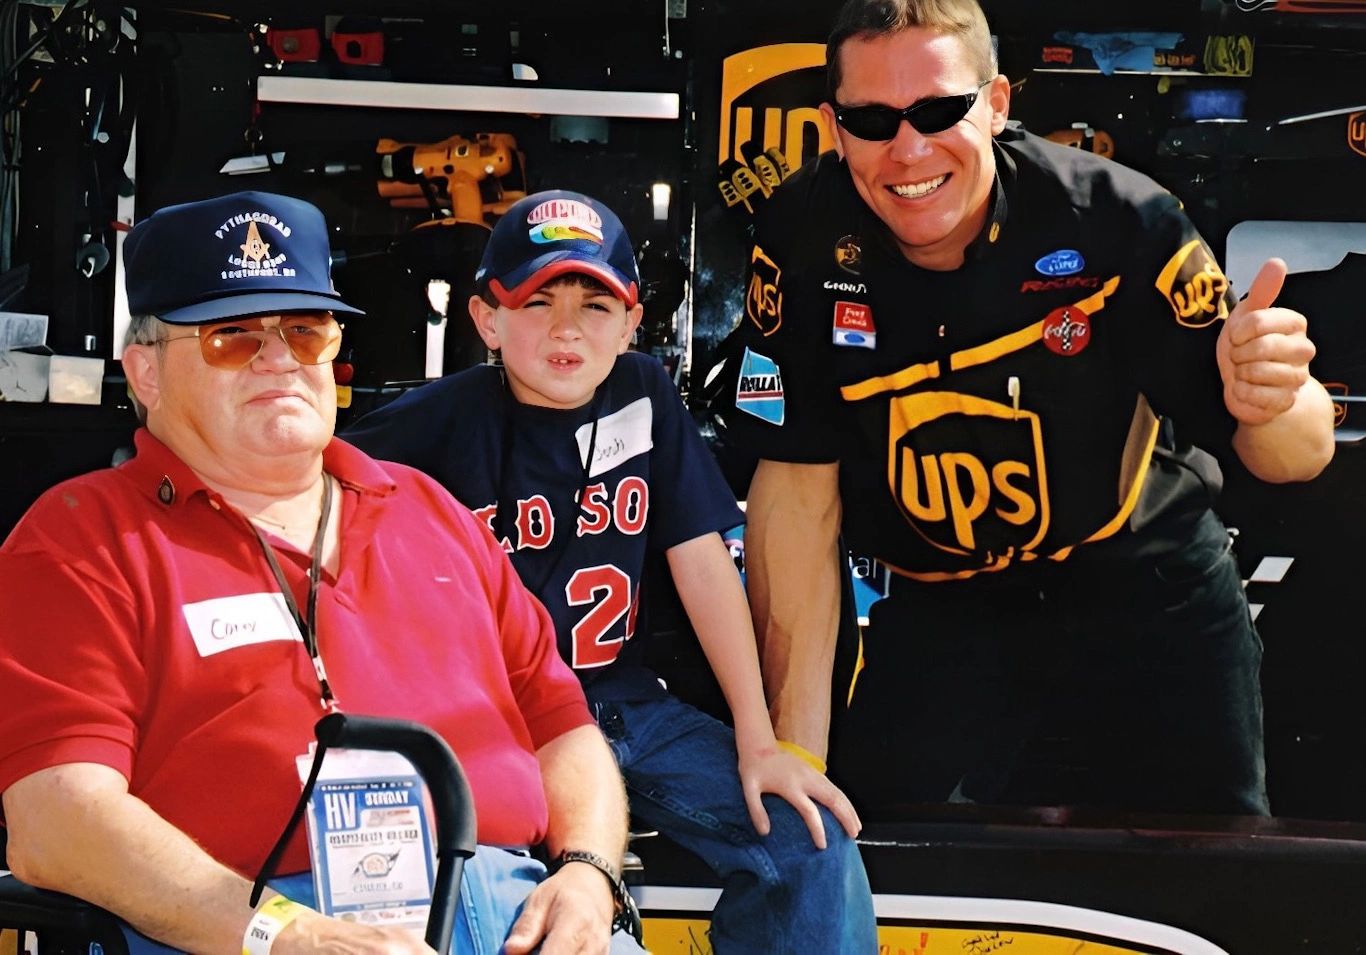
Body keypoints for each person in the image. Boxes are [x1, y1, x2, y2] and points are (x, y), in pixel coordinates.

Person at [712, 0, 1336, 817]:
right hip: (949, 604)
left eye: (940, 111)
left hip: (1148, 590)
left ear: (997, 104)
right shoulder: (799, 237)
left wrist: (1276, 393)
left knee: (1209, 878)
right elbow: (796, 494)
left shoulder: (1120, 218)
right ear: (834, 127)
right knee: (866, 855)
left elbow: (1294, 454)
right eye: (873, 120)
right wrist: (792, 750)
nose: (909, 148)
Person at [0, 190, 647, 955]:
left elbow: (563, 729)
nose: (279, 358)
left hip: (516, 914)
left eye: (306, 332)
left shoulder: (432, 513)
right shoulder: (83, 538)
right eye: (232, 336)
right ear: (146, 372)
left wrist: (588, 873)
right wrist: (283, 933)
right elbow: (56, 820)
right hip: (246, 927)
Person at [344, 189, 878, 952]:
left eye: (596, 304)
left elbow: (702, 564)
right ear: (487, 318)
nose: (566, 328)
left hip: (631, 709)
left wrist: (760, 740)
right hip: (505, 728)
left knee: (807, 835)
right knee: (509, 892)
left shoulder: (646, 393)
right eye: (537, 302)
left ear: (633, 323)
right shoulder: (433, 421)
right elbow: (304, 495)